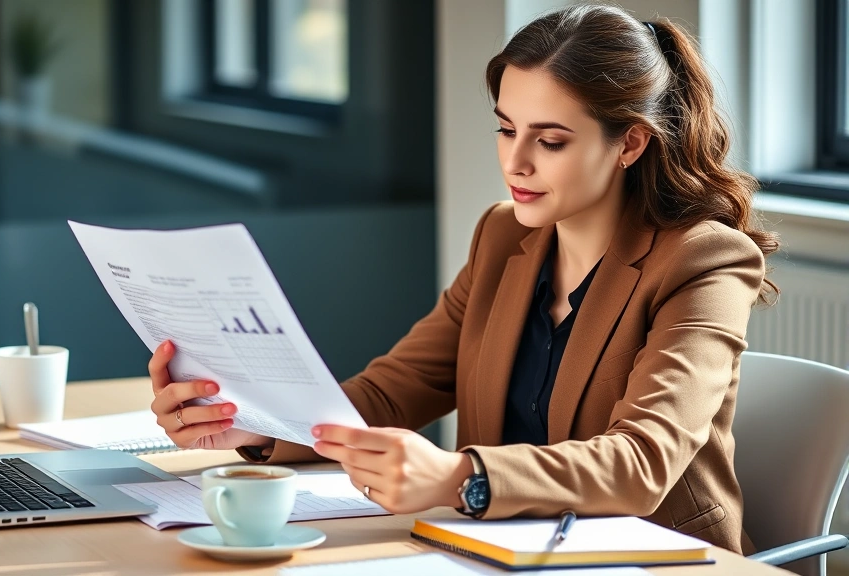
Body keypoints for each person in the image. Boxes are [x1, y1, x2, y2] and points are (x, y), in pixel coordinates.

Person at [147, 4, 779, 555]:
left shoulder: (705, 261)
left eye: (550, 141)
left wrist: (460, 477)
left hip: (658, 558)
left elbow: (641, 466)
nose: (516, 161)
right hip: (495, 552)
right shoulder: (504, 236)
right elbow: (394, 394)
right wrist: (256, 425)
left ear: (631, 144)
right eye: (506, 129)